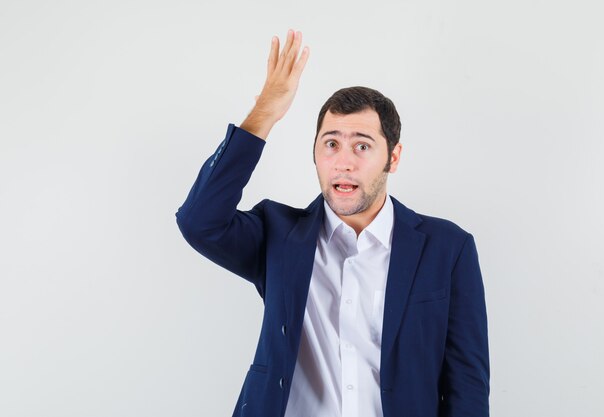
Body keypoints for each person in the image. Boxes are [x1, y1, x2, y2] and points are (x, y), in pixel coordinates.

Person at [176, 29, 489, 417]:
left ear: (393, 158)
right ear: (315, 154)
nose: (344, 161)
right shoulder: (278, 236)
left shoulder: (448, 247)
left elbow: (467, 388)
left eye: (362, 145)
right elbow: (198, 221)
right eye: (331, 144)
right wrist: (265, 113)